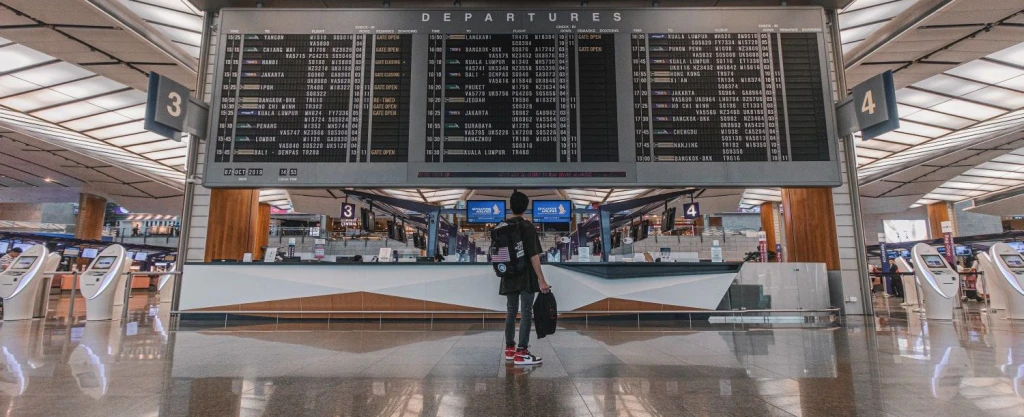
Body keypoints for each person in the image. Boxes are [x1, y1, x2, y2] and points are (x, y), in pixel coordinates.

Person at [499, 191, 551, 366]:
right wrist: (541, 279)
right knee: (526, 311)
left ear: (511, 207)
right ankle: (522, 352)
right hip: (526, 276)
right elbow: (534, 256)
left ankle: (509, 349)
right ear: (525, 207)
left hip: (508, 275)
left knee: (511, 311)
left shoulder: (502, 226)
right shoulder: (527, 227)